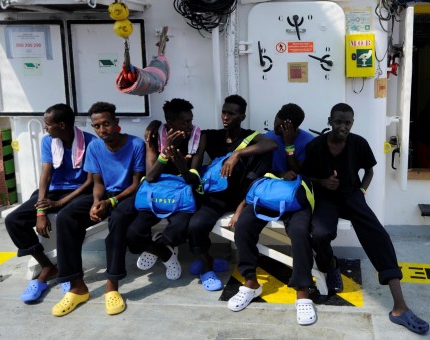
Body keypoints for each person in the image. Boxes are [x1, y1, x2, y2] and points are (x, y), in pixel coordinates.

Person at [301, 103, 430, 335]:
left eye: (347, 122)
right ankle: (331, 266)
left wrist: (361, 191)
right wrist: (322, 183)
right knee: (319, 233)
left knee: (378, 236)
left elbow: (369, 171)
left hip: (352, 196)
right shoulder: (315, 146)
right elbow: (306, 175)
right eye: (338, 121)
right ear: (330, 120)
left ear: (352, 122)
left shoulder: (359, 143)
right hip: (326, 200)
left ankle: (399, 307)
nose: (343, 126)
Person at [52, 102, 145, 317]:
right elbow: (97, 183)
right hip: (104, 194)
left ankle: (111, 285)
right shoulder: (94, 147)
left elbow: (136, 183)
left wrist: (112, 202)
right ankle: (76, 286)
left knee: (119, 219)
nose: (102, 130)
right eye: (97, 126)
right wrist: (95, 202)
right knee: (66, 216)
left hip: (128, 196)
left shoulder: (135, 145)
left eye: (106, 124)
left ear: (116, 123)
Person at [228, 103, 318, 325]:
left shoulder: (308, 141)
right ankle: (250, 282)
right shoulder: (268, 137)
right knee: (244, 226)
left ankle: (302, 292)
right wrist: (241, 206)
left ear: (295, 127)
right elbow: (257, 174)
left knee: (299, 231)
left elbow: (308, 174)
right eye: (278, 120)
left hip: (296, 198)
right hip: (269, 196)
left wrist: (289, 147)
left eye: (285, 124)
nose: (279, 125)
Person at [5, 103, 95, 303]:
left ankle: (69, 272)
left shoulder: (90, 142)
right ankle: (48, 266)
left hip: (78, 192)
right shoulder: (48, 142)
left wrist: (60, 202)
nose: (45, 127)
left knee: (66, 220)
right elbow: (45, 176)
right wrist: (41, 212)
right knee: (14, 220)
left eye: (48, 123)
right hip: (53, 191)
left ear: (62, 125)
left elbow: (90, 182)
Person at [187, 94, 276, 292]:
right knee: (196, 225)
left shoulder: (250, 136)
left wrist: (237, 154)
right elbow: (188, 134)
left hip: (243, 198)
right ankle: (207, 264)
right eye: (224, 112)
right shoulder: (211, 135)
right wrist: (155, 125)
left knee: (263, 157)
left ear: (242, 116)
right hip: (216, 197)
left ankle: (248, 275)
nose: (225, 117)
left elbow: (271, 144)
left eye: (231, 114)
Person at [128, 98, 205, 280]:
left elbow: (192, 179)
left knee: (179, 230)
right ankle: (166, 255)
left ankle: (161, 245)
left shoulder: (198, 137)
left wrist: (181, 166)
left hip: (181, 194)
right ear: (170, 124)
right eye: (185, 122)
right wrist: (164, 155)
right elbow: (151, 177)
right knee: (133, 234)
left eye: (190, 120)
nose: (189, 126)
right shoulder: (155, 136)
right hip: (156, 194)